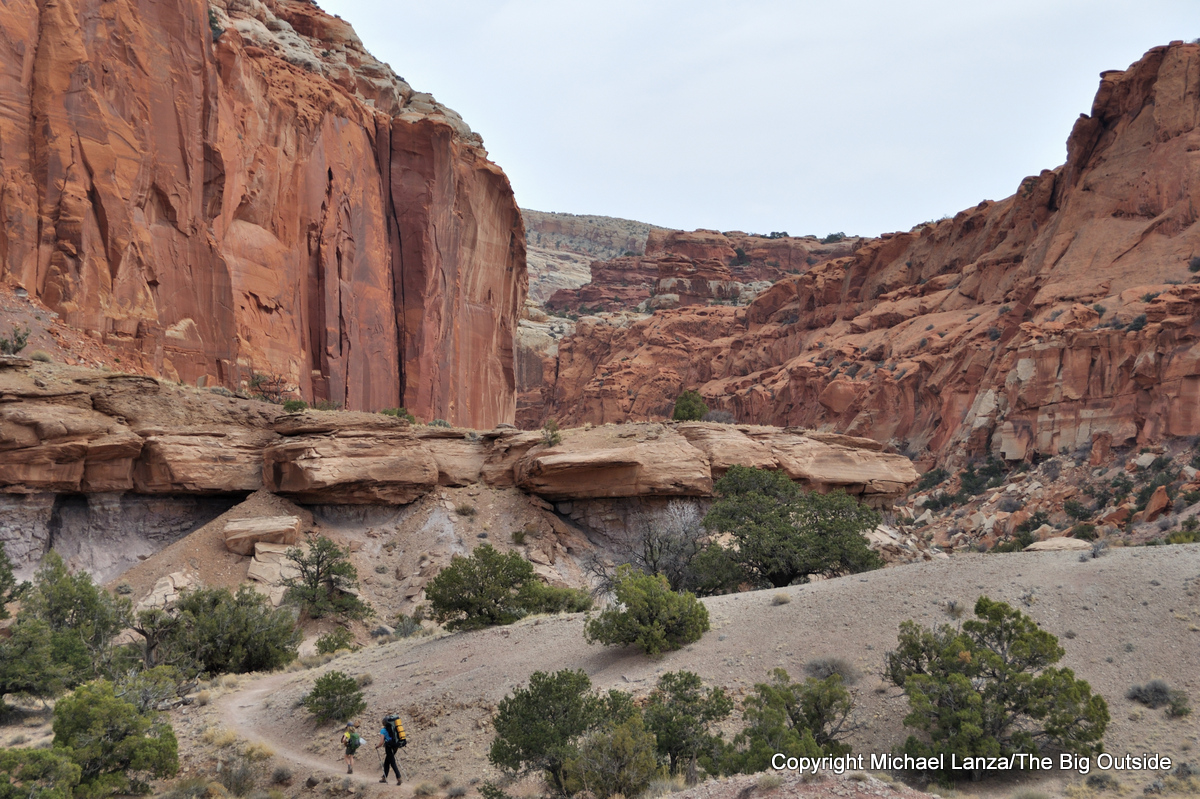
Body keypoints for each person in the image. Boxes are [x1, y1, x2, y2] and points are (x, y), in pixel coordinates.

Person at [376, 716, 402, 785]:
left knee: (392, 762)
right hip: (395, 747)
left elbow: (381, 742)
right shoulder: (394, 728)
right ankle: (384, 777)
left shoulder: (383, 730)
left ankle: (399, 777)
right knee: (387, 762)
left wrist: (377, 746)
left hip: (389, 747)